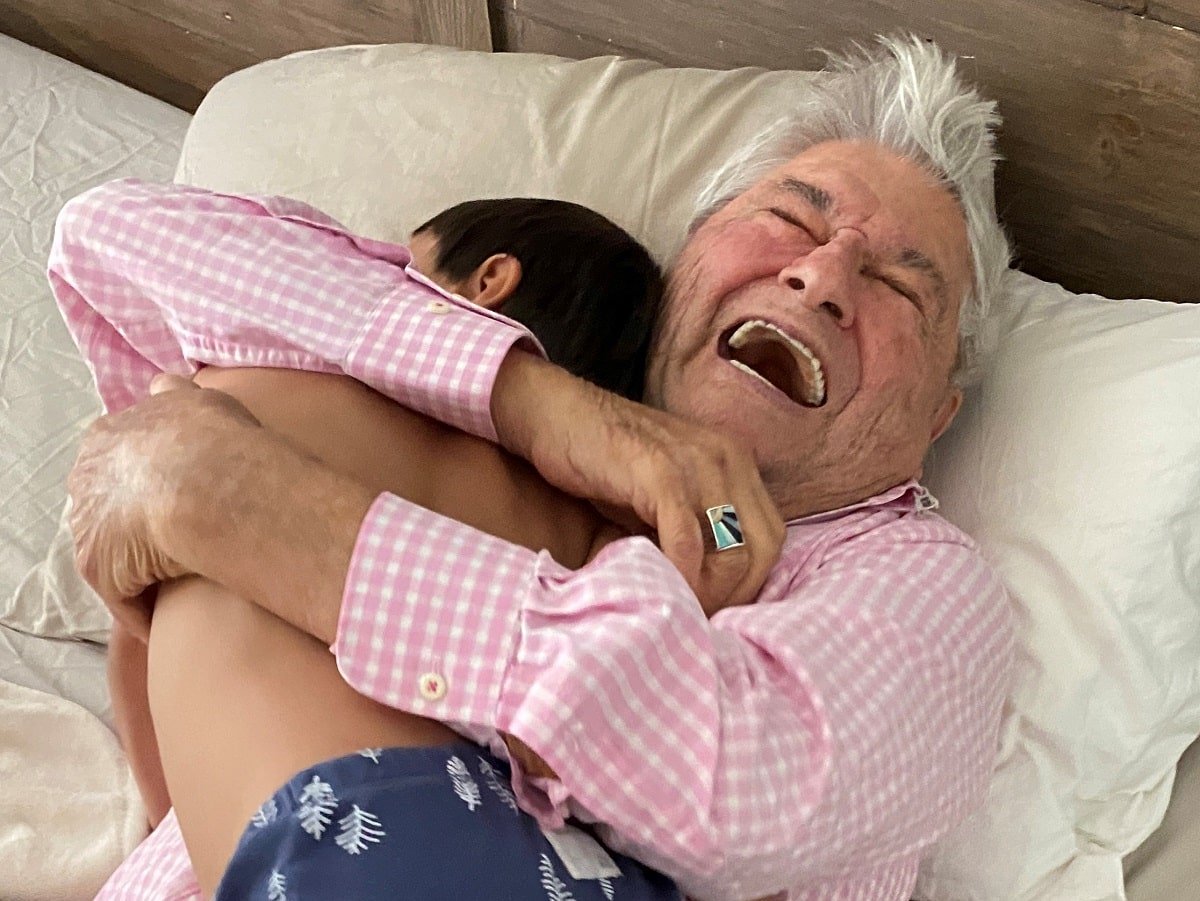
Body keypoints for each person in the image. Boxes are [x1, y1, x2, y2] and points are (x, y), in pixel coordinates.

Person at [58, 35, 1015, 901]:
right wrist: (533, 402)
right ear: (688, 258)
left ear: (936, 416)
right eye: (791, 221)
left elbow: (723, 778)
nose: (823, 277)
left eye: (898, 286)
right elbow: (112, 236)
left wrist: (244, 508)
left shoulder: (923, 585)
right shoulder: (499, 373)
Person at [99, 194, 667, 874]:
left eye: (399, 259)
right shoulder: (592, 521)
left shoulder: (268, 371)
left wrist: (175, 818)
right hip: (532, 851)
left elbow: (141, 663)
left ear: (489, 280)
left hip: (338, 831)